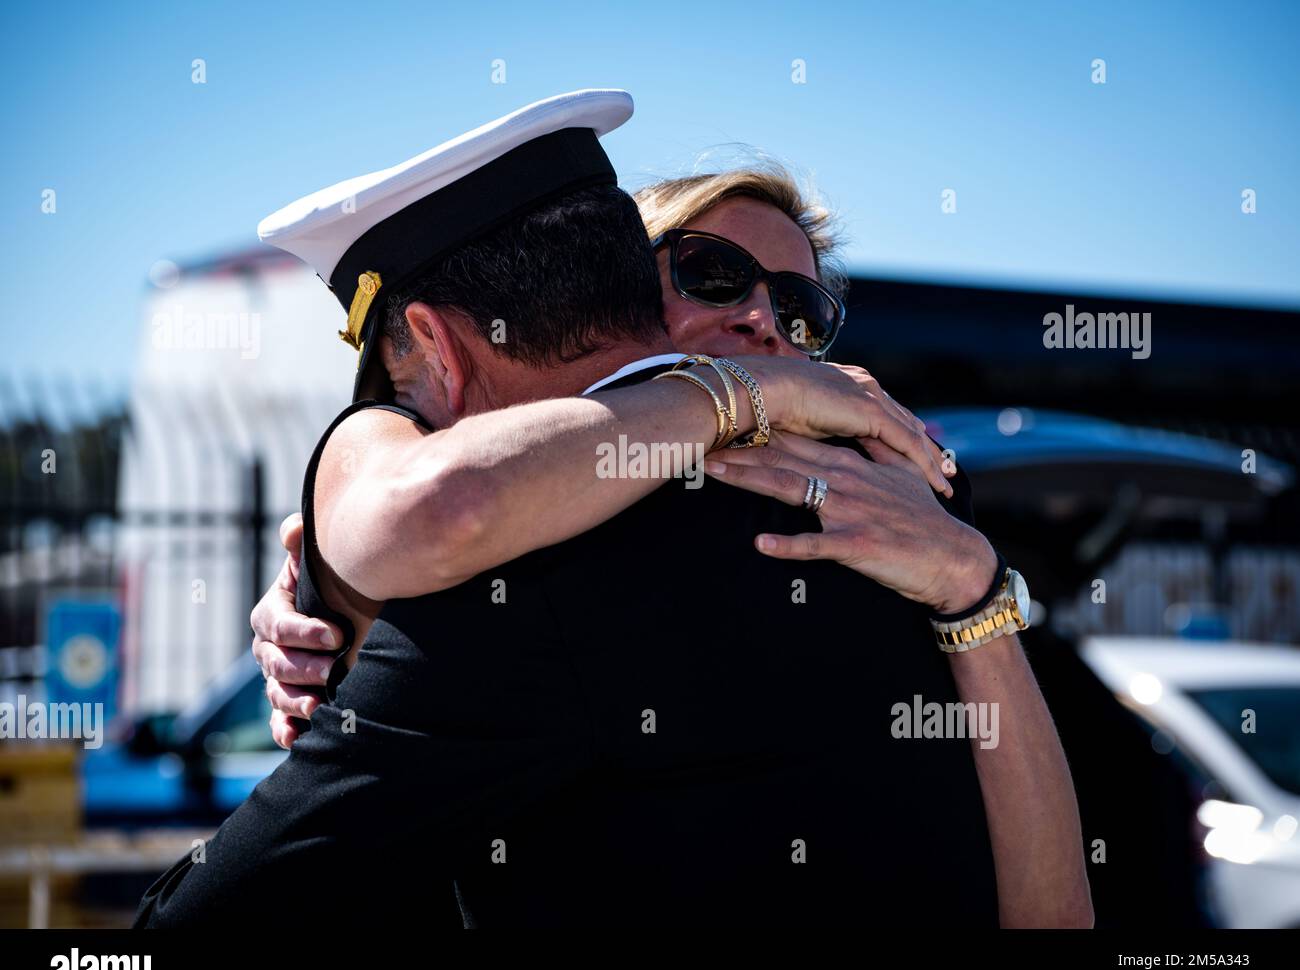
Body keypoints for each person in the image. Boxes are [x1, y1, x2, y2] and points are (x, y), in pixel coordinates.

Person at [139, 90, 1092, 927]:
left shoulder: (904, 518)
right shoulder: (533, 542)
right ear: (623, 285)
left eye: (802, 308)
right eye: (715, 273)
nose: (763, 319)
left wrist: (977, 595)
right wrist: (341, 584)